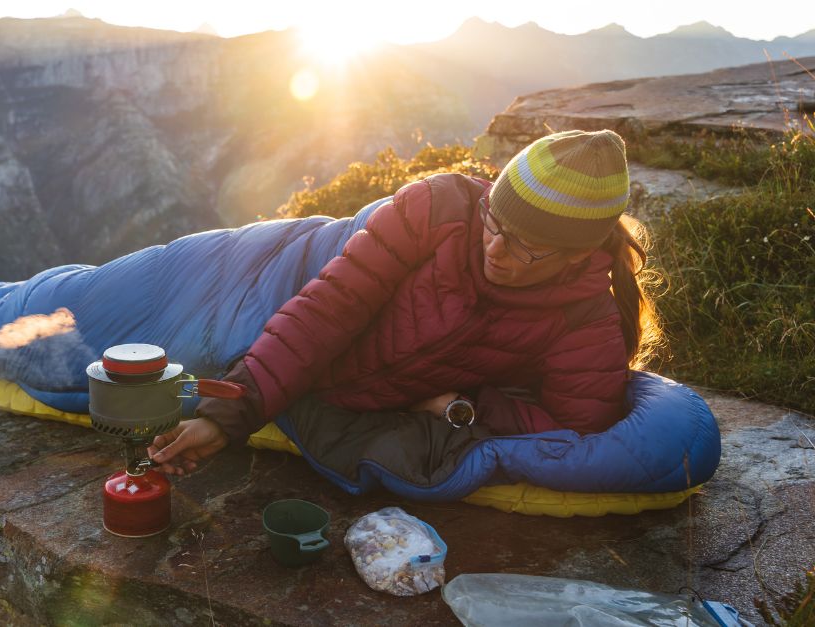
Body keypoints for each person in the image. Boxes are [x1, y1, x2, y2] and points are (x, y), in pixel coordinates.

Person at [148, 129, 664, 476]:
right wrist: (224, 416)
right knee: (106, 311)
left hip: (325, 376)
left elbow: (579, 430)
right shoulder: (438, 207)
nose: (494, 250)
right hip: (283, 277)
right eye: (494, 222)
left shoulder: (583, 321)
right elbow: (330, 305)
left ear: (579, 255)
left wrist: (466, 408)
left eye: (527, 247)